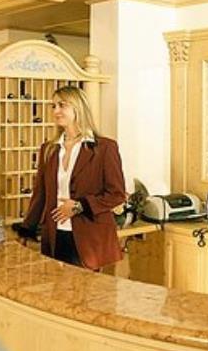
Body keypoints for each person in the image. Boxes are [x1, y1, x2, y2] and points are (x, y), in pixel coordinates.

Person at [17, 86, 126, 270]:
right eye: (53, 106)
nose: (56, 111)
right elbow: (40, 194)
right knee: (56, 286)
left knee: (84, 288)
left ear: (78, 107)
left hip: (89, 238)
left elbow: (116, 194)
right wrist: (27, 229)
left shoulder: (104, 148)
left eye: (62, 105)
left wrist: (80, 206)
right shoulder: (49, 149)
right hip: (54, 235)